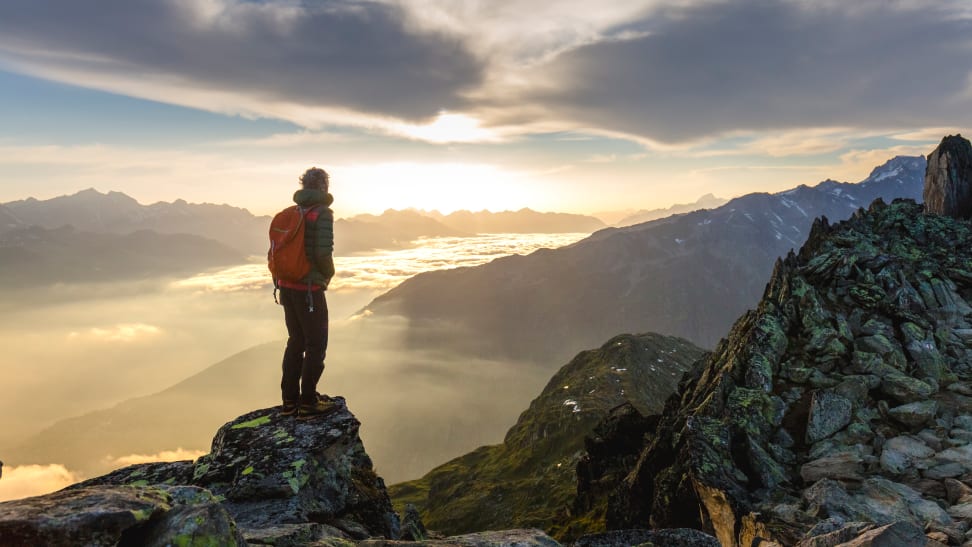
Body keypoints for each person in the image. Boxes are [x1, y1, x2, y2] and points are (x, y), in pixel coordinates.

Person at [277, 167, 336, 418]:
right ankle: (309, 403)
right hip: (309, 290)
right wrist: (328, 274)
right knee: (316, 344)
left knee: (296, 342)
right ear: (323, 187)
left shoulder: (291, 213)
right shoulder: (322, 214)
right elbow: (323, 253)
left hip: (287, 287)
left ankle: (290, 401)